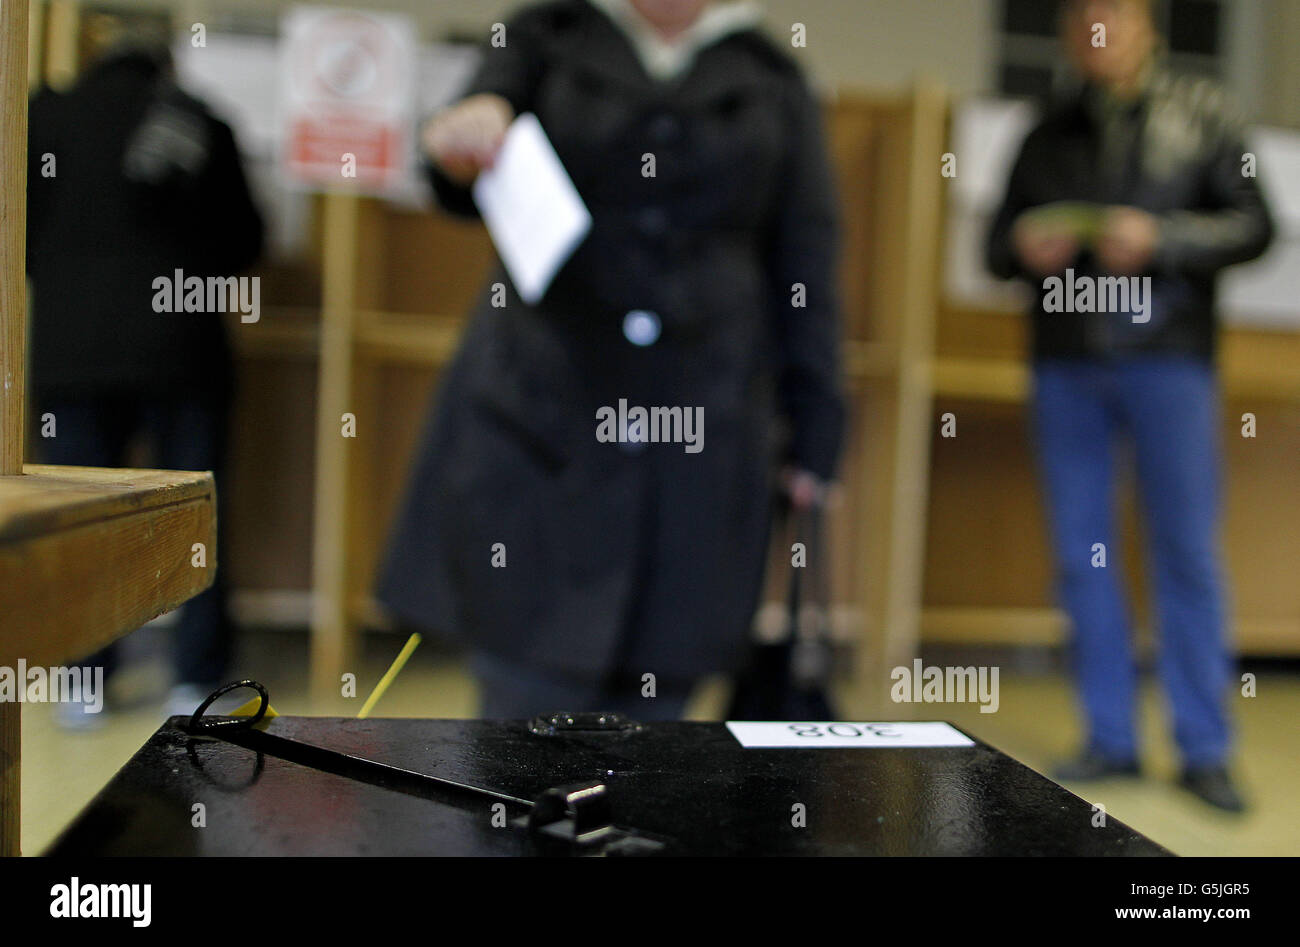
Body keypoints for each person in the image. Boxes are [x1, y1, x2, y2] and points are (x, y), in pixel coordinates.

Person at [378, 0, 844, 720]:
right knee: (522, 713)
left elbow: (805, 259)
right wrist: (464, 132)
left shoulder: (772, 76)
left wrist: (815, 432)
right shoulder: (546, 36)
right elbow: (469, 142)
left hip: (702, 424)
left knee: (658, 717)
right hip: (541, 415)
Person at [986, 0, 1273, 811]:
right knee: (1084, 556)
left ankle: (1205, 746)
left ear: (1149, 27)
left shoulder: (1207, 114)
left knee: (1185, 550)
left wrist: (1164, 240)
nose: (1098, 34)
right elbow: (994, 248)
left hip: (1170, 361)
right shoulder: (1045, 130)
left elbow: (1255, 226)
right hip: (1067, 365)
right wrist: (1022, 247)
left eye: (1115, 16)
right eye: (1084, 21)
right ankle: (1109, 736)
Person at [27, 25, 264, 725]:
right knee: (193, 514)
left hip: (70, 352)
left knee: (75, 521)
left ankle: (82, 681)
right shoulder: (201, 120)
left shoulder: (44, 119)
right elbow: (243, 243)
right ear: (166, 60)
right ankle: (196, 678)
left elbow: (22, 233)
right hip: (181, 348)